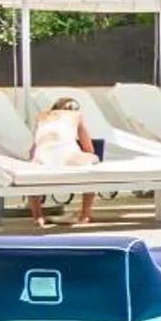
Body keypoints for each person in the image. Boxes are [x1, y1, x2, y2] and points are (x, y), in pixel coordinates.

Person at [27, 96, 99, 227]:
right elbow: (89, 148)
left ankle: (38, 217)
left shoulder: (41, 117)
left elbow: (33, 150)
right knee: (93, 161)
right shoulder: (76, 115)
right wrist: (91, 157)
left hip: (43, 157)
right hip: (68, 155)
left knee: (34, 168)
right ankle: (85, 215)